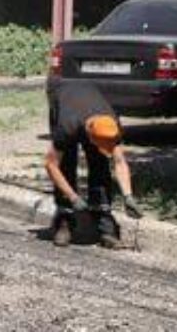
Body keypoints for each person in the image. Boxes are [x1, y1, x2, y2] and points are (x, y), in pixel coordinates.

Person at [44, 78, 143, 248]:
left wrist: (128, 196)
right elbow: (50, 165)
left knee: (100, 164)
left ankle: (105, 226)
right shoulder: (67, 127)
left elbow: (119, 162)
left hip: (89, 101)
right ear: (89, 135)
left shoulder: (111, 125)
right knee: (66, 163)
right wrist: (73, 197)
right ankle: (65, 222)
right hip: (65, 98)